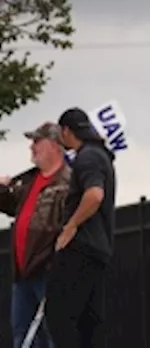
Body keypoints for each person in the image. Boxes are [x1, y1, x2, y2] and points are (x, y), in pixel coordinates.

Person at [44, 108, 117, 348]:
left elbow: (94, 195)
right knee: (89, 321)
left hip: (81, 248)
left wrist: (71, 225)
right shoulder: (100, 155)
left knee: (59, 314)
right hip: (98, 249)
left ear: (67, 131)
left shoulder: (88, 157)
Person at [0, 123, 71, 348]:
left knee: (53, 334)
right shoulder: (30, 183)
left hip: (48, 269)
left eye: (36, 142)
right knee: (22, 334)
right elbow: (12, 205)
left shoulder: (66, 183)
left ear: (53, 145)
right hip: (23, 271)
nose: (32, 147)